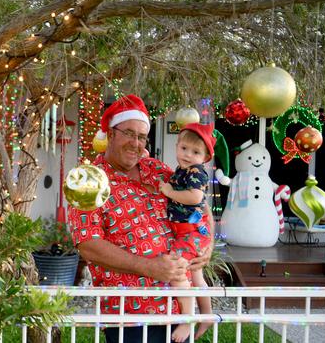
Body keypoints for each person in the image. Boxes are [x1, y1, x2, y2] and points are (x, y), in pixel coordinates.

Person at [68, 94, 213, 343]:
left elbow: (198, 201)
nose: (136, 143)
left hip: (177, 308)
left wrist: (206, 245)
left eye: (142, 136)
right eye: (129, 133)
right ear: (111, 134)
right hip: (129, 314)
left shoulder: (156, 169)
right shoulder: (88, 180)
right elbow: (88, 244)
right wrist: (150, 267)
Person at [158, 122, 216, 342]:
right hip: (189, 230)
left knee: (177, 272)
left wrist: (169, 191)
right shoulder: (182, 171)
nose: (188, 155)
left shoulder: (195, 173)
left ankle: (188, 319)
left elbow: (195, 198)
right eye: (184, 149)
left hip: (191, 231)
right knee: (195, 274)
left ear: (205, 157)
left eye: (195, 152)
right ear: (176, 147)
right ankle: (207, 314)